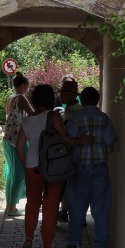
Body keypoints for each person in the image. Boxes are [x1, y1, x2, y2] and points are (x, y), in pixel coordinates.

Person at [17, 83, 91, 248]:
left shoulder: (27, 120)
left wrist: (27, 165)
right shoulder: (54, 116)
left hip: (32, 166)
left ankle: (28, 238)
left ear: (34, 100)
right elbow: (66, 139)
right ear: (50, 99)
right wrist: (81, 140)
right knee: (50, 206)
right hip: (52, 167)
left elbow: (19, 148)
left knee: (32, 203)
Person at [65, 86, 117, 248]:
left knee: (76, 206)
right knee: (101, 209)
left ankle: (75, 242)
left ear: (82, 100)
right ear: (98, 100)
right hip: (100, 167)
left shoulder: (76, 117)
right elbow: (110, 140)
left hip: (80, 166)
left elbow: (70, 137)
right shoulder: (104, 118)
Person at [1, 75, 32, 216]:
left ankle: (9, 205)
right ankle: (12, 207)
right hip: (17, 140)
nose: (28, 89)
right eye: (28, 86)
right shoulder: (21, 98)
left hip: (7, 140)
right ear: (23, 85)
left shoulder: (10, 98)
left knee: (11, 173)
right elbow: (33, 114)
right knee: (20, 173)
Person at [55, 76, 81, 222]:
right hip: (74, 151)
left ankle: (65, 212)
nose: (60, 96)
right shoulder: (74, 108)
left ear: (70, 95)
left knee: (67, 185)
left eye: (63, 94)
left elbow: (68, 133)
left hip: (70, 152)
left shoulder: (72, 111)